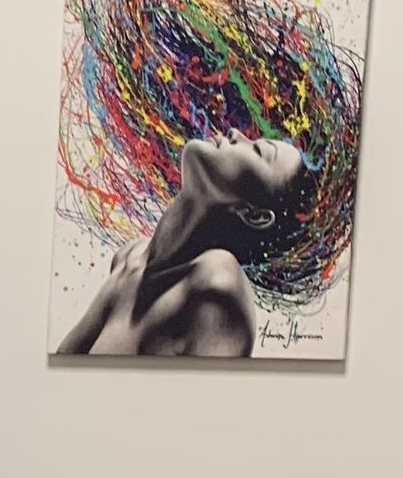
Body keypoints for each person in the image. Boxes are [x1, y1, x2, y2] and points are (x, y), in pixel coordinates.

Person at [56, 132, 309, 358]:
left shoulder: (218, 284)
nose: (236, 134)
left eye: (258, 150)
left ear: (255, 215)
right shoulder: (127, 258)